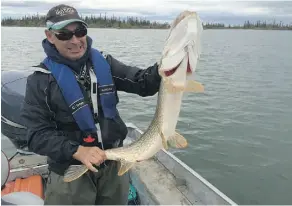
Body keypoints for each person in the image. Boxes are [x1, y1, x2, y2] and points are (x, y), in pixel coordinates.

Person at [20, 4, 161, 205]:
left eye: (80, 31)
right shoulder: (40, 80)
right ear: (50, 36)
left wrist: (164, 68)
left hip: (113, 166)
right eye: (64, 35)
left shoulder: (104, 63)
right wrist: (77, 150)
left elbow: (143, 83)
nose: (75, 40)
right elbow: (35, 135)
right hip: (70, 173)